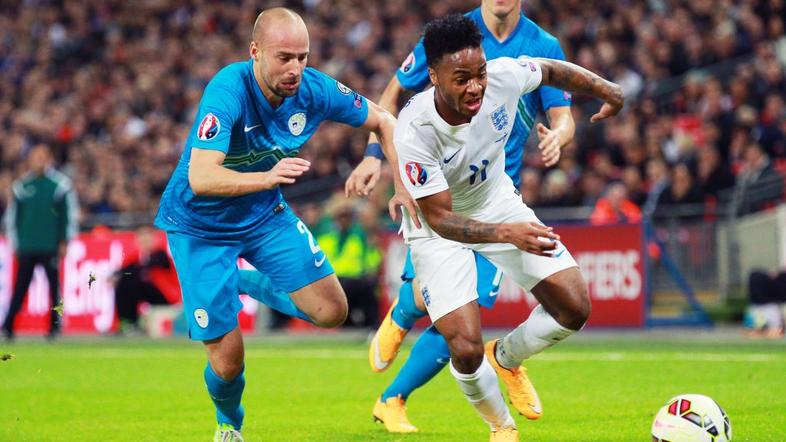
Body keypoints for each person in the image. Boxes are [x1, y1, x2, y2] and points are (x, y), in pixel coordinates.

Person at [153, 8, 414, 441]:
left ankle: (241, 282)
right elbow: (201, 177)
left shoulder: (314, 89)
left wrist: (392, 178)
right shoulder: (228, 90)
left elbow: (384, 120)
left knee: (333, 311)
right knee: (228, 361)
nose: (295, 69)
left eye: (302, 57)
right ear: (255, 52)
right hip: (199, 225)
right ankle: (229, 424)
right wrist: (267, 177)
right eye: (284, 58)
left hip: (262, 216)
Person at [344, 0, 576, 432]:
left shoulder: (543, 44)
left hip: (493, 190)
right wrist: (377, 156)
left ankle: (396, 389)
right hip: (435, 195)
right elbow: (392, 95)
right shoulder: (451, 37)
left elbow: (562, 113)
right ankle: (402, 324)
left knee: (463, 320)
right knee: (450, 315)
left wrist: (558, 137)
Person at [392, 15, 622, 440]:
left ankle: (507, 356)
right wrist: (505, 234)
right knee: (462, 346)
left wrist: (609, 91)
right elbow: (440, 218)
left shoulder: (502, 77)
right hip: (435, 227)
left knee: (574, 307)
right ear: (433, 76)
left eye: (479, 73)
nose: (476, 86)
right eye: (461, 78)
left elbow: (552, 70)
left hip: (495, 202)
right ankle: (501, 426)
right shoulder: (415, 129)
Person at [2, 144, 78, 341]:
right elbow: (13, 218)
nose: (39, 160)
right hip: (27, 245)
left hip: (50, 245)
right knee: (20, 287)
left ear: (49, 158)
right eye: (36, 156)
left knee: (54, 287)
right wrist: (15, 243)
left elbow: (68, 215)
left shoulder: (60, 185)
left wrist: (64, 240)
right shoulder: (21, 186)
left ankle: (54, 327)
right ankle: (8, 326)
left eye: (43, 156)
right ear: (30, 159)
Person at [317, 200, 382, 328]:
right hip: (335, 280)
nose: (344, 220)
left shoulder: (360, 236)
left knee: (368, 288)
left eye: (347, 216)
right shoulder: (326, 238)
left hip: (357, 279)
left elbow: (372, 257)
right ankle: (345, 325)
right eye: (341, 217)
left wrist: (371, 270)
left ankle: (371, 325)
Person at [113, 225, 178, 334]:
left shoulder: (160, 254)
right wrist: (115, 276)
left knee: (131, 282)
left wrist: (125, 274)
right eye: (142, 239)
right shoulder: (137, 257)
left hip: (166, 295)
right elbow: (125, 270)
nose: (145, 242)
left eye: (147, 239)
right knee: (123, 283)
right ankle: (126, 322)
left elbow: (146, 267)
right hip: (149, 294)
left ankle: (131, 322)